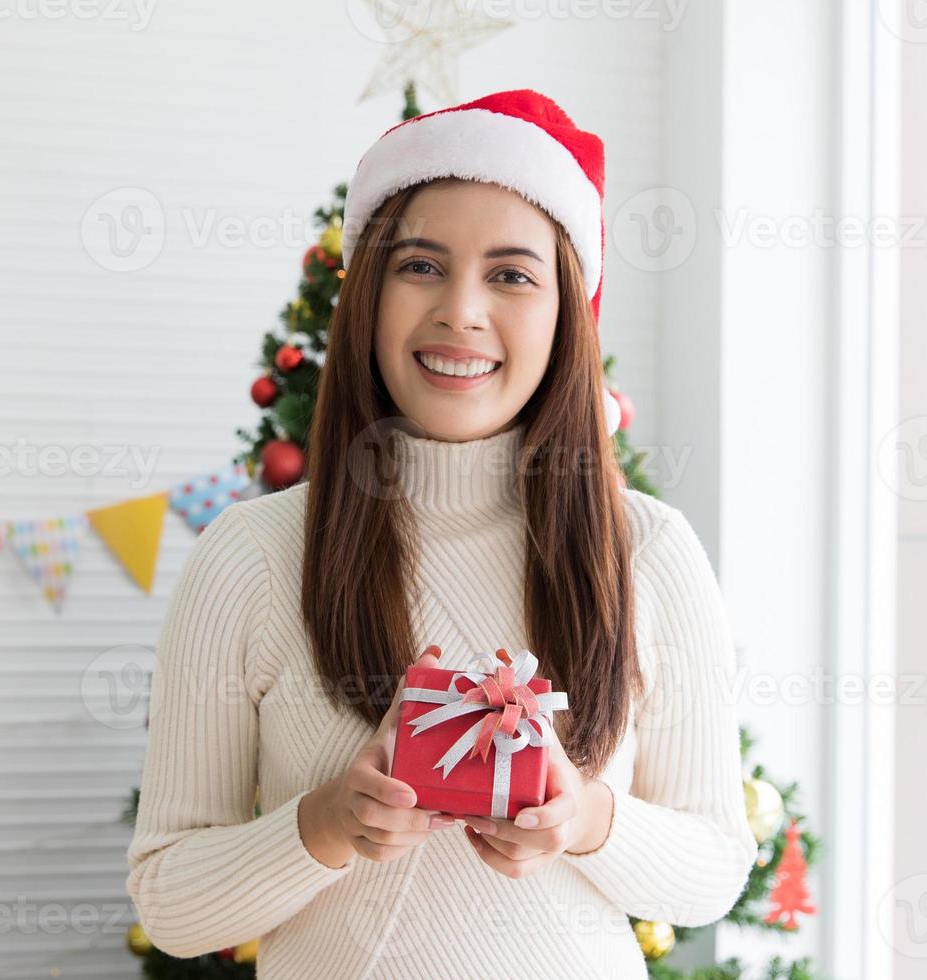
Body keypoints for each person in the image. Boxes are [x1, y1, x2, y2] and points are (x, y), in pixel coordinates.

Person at [125, 89, 756, 979]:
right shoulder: (252, 555)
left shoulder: (645, 551)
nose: (461, 311)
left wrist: (583, 821)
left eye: (512, 274)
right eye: (420, 265)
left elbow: (714, 871)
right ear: (368, 294)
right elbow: (173, 904)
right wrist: (327, 822)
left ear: (566, 313)